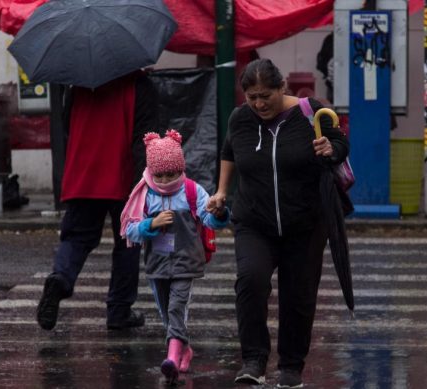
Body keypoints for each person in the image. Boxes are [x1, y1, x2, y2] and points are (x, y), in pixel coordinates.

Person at [206, 58, 349, 388]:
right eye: (251, 97)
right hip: (254, 221)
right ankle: (253, 360)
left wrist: (331, 147)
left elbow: (341, 143)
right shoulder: (241, 119)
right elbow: (230, 152)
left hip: (306, 222)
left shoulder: (309, 112)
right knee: (250, 281)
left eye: (265, 96)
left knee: (298, 295)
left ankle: (290, 367)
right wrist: (222, 190)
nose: (258, 104)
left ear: (281, 87)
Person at [36, 70, 159, 330]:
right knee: (128, 242)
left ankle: (61, 278)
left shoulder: (79, 83)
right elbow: (145, 136)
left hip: (83, 171)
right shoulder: (138, 84)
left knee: (77, 237)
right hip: (122, 173)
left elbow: (67, 122)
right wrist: (146, 182)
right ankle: (119, 311)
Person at [120, 129, 230, 383]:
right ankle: (184, 348)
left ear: (181, 169)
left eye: (172, 174)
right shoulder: (145, 195)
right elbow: (130, 231)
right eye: (160, 175)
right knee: (167, 312)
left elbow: (209, 219)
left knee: (177, 306)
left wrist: (220, 212)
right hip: (157, 264)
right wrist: (151, 224)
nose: (166, 180)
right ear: (151, 172)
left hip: (186, 262)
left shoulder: (192, 191)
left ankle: (170, 357)